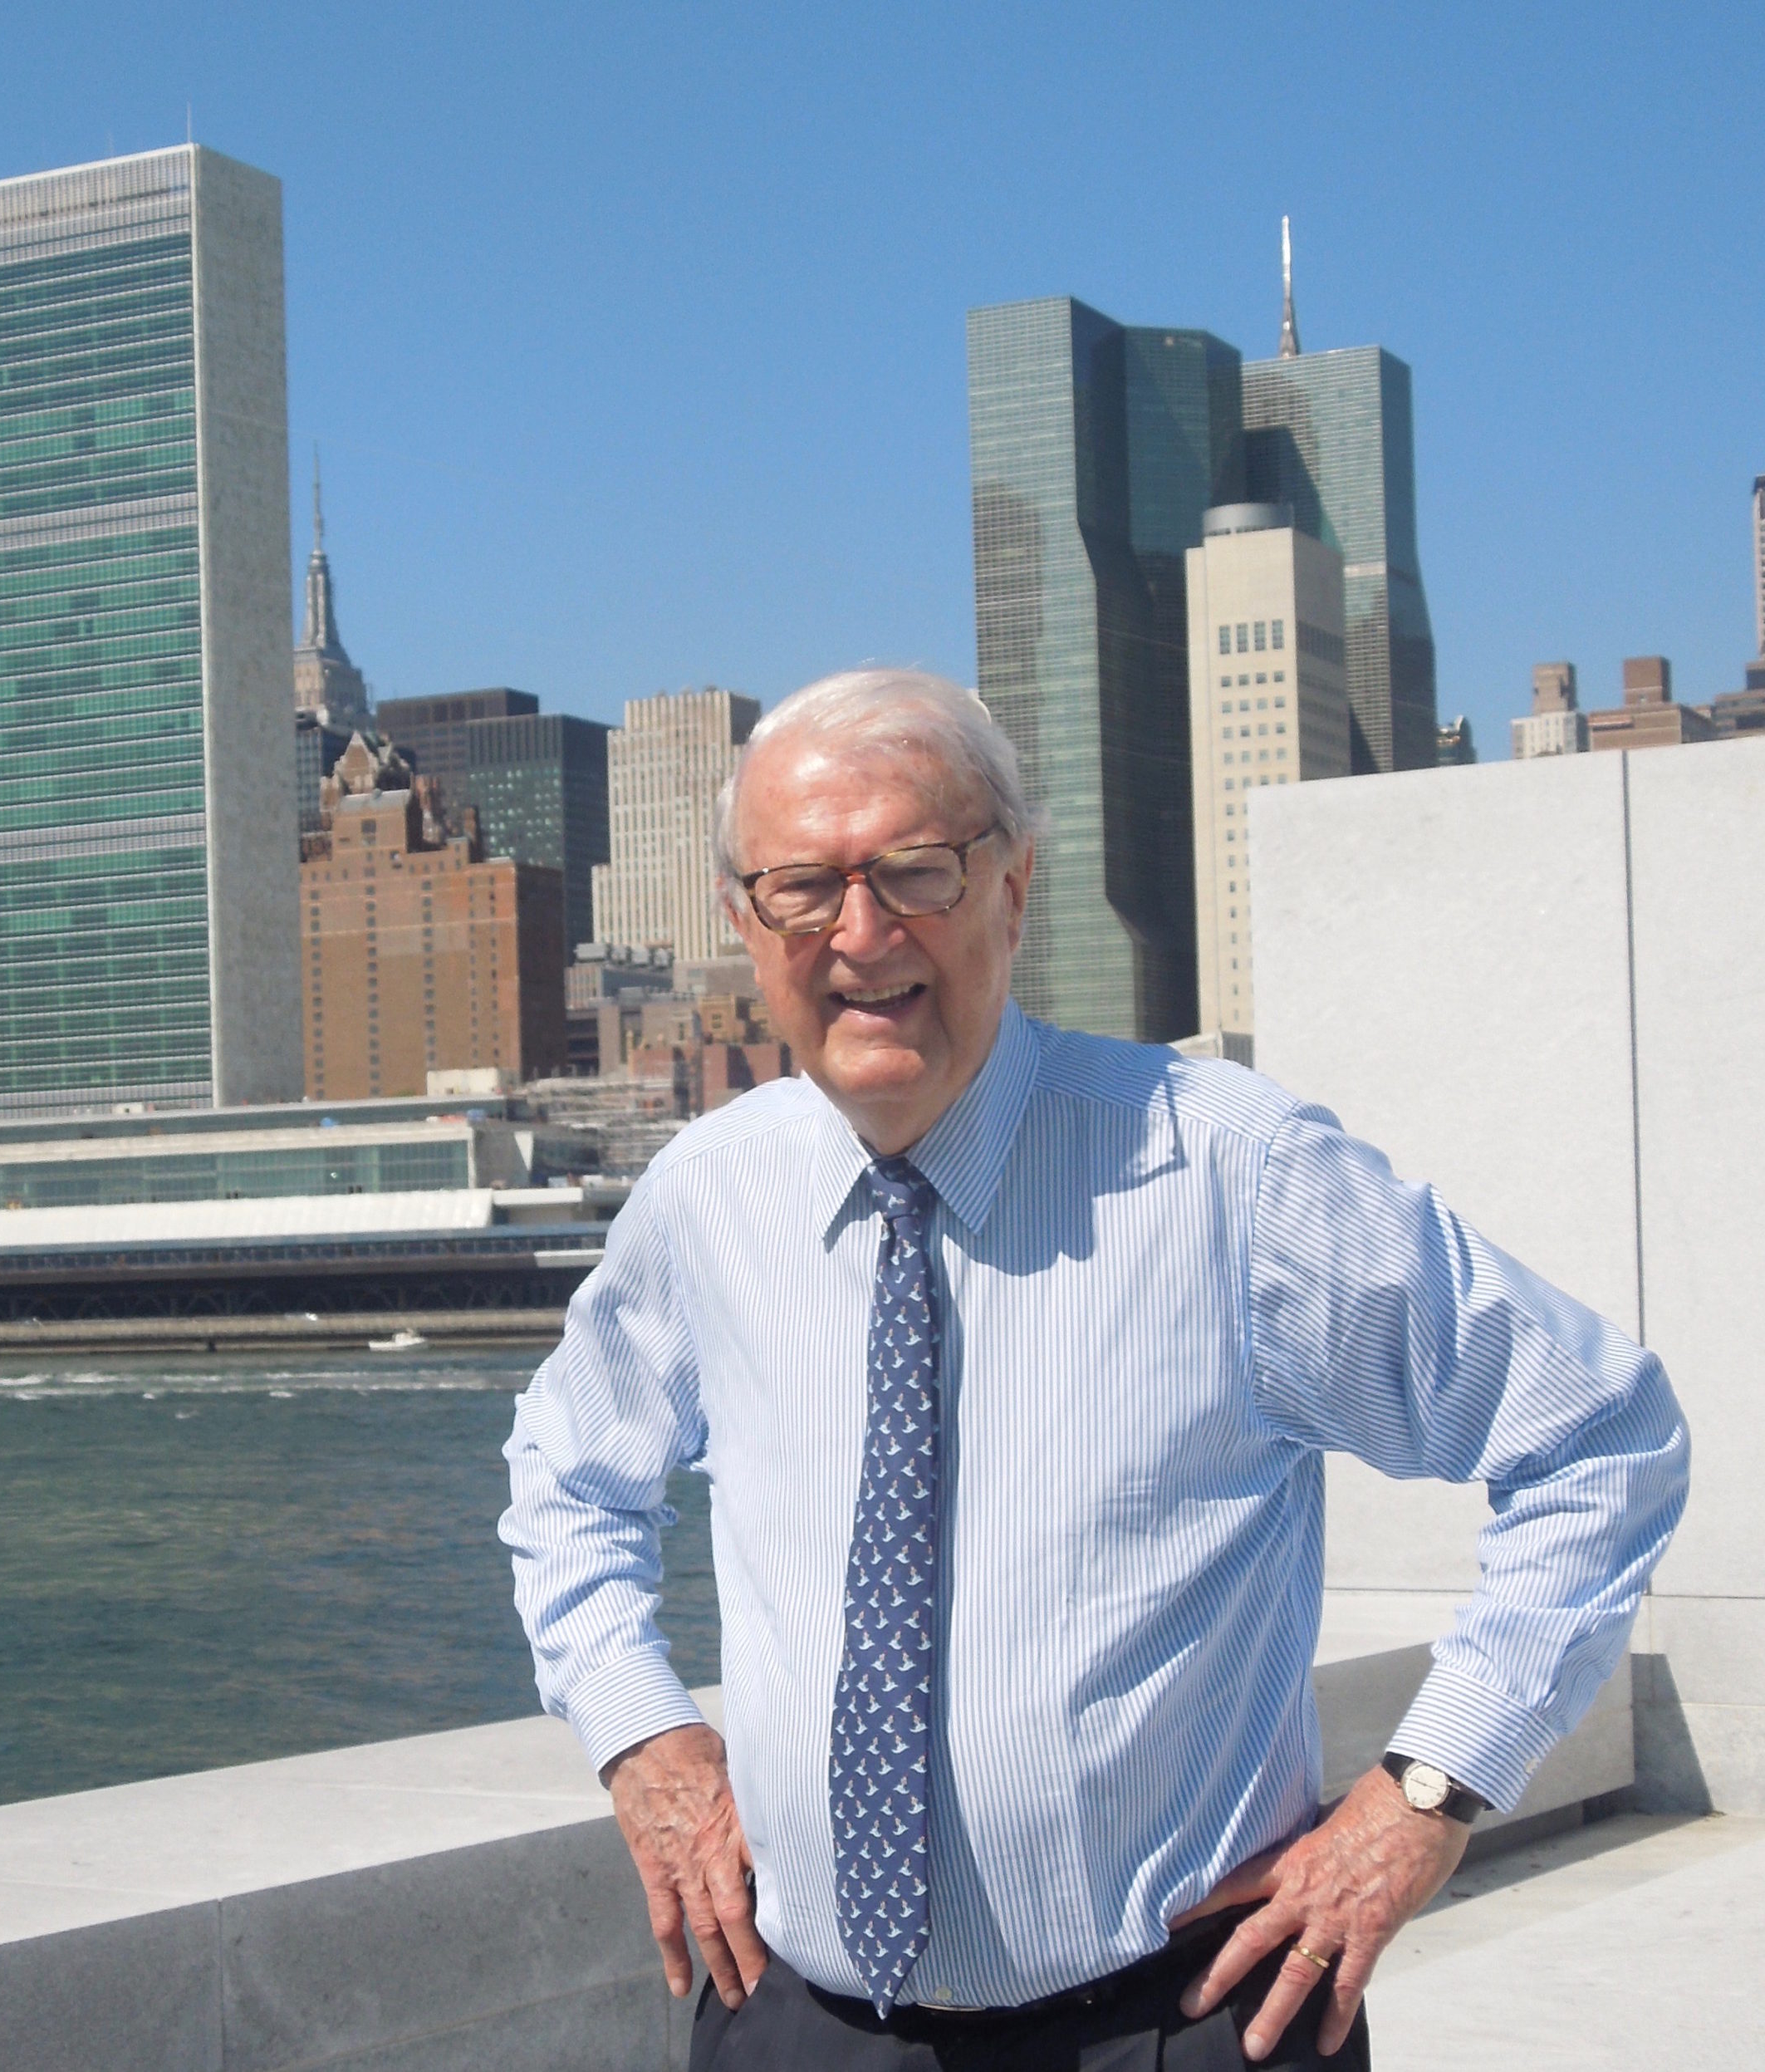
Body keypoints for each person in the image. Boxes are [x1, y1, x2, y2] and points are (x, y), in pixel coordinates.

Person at [501, 669, 1688, 2069]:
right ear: (744, 923)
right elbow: (568, 1478)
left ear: (1012, 888)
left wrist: (1422, 1798)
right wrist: (645, 1737)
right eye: (803, 888)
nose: (860, 933)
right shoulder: (709, 1196)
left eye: (917, 870)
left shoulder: (1234, 1177)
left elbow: (1599, 1434)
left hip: (1178, 2024)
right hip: (795, 2022)